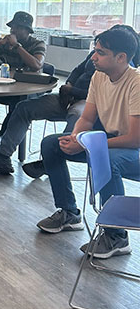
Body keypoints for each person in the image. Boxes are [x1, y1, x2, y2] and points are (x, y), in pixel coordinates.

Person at [36, 28, 140, 260]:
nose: (93, 57)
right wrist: (75, 138)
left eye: (100, 53)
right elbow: (86, 118)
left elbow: (134, 139)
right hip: (109, 143)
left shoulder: (137, 83)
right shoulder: (99, 76)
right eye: (95, 51)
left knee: (105, 159)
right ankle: (69, 213)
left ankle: (117, 236)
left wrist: (87, 145)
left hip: (134, 151)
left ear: (121, 57)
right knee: (53, 144)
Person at [0, 11, 46, 150]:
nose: (13, 30)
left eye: (18, 27)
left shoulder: (38, 44)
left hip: (31, 89)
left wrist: (18, 47)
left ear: (27, 30)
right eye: (12, 27)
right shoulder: (6, 45)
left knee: (19, 103)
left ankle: (2, 138)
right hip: (9, 87)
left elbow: (36, 65)